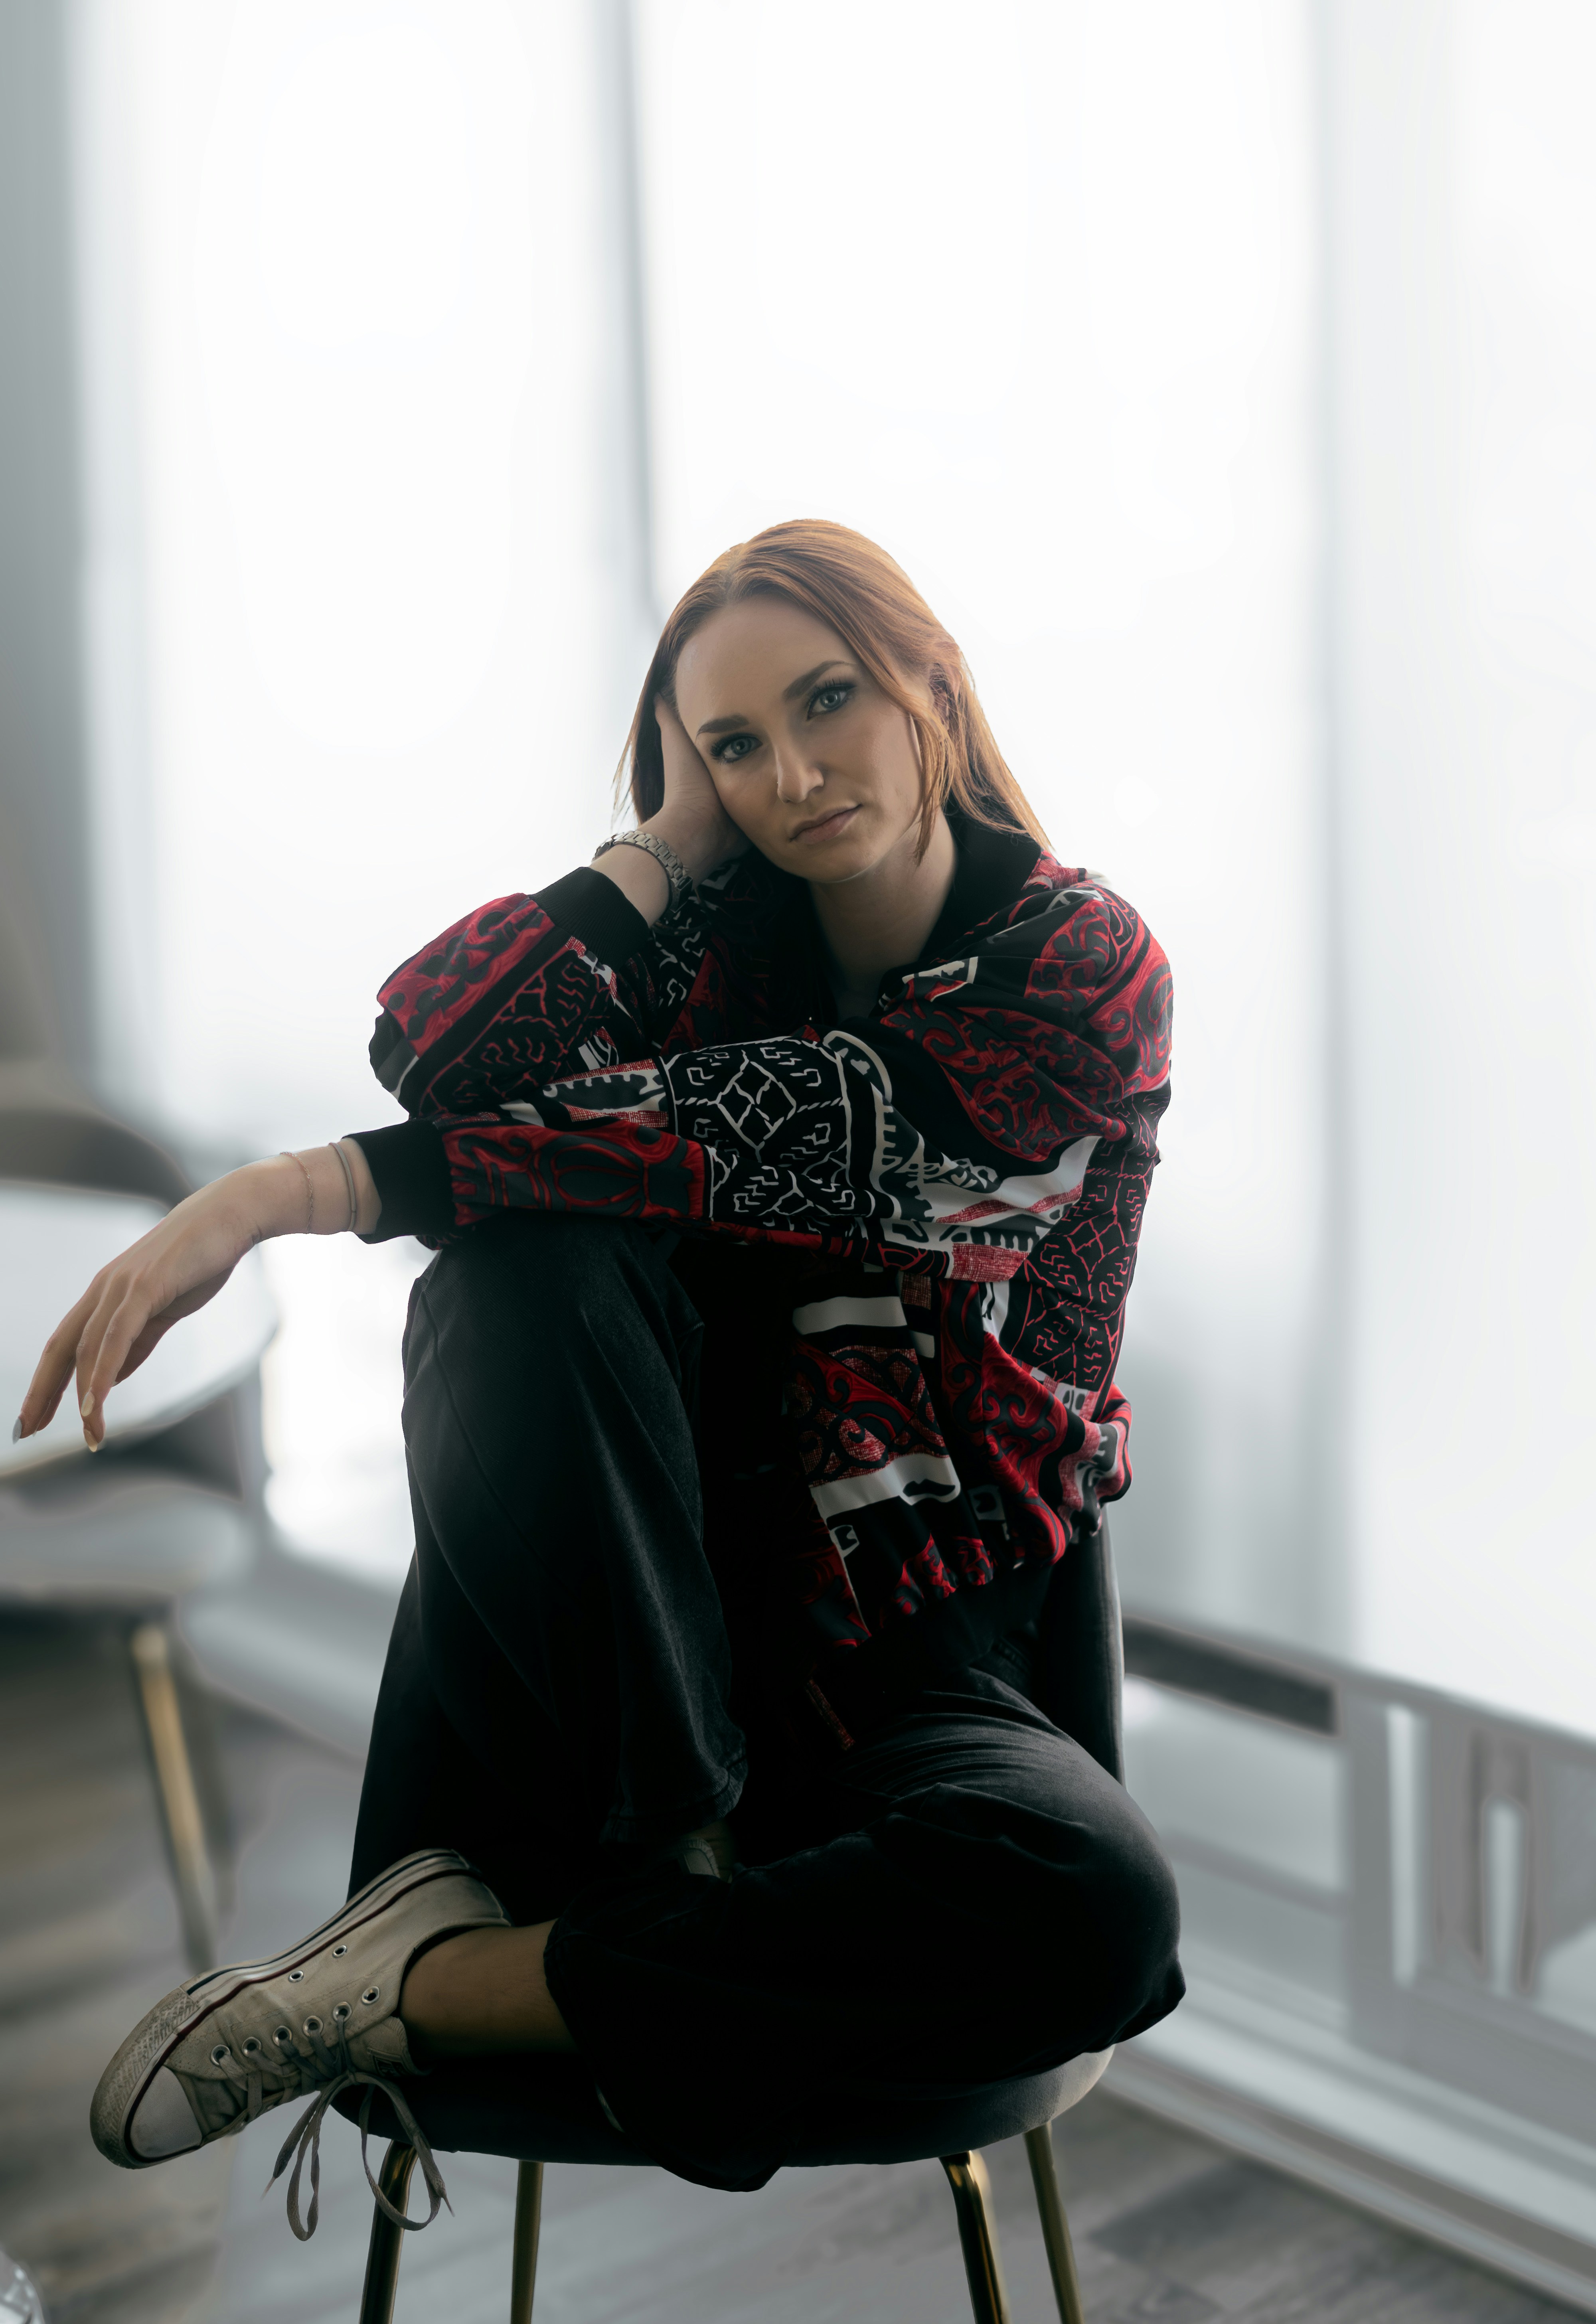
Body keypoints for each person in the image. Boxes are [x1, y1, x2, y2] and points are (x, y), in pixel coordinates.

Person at [18, 519, 1182, 2235]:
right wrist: (655, 849)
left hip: (927, 1642)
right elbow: (433, 1048)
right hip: (652, 1625)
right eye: (734, 743)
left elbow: (766, 1128)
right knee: (523, 1267)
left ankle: (427, 1979)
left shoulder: (1079, 973)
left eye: (829, 700)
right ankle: (675, 1864)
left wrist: (285, 1196)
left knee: (1096, 1913)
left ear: (929, 677)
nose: (793, 771)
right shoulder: (714, 940)